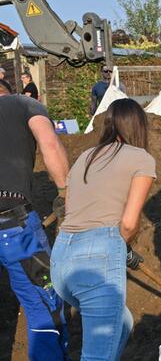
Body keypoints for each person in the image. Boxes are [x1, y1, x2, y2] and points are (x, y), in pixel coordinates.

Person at [51, 99, 155, 361]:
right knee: (97, 357)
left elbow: (70, 205)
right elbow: (129, 224)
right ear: (139, 127)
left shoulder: (85, 157)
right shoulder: (141, 158)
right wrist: (120, 246)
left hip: (61, 257)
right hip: (97, 258)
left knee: (123, 322)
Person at [0, 78, 70, 359]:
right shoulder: (24, 103)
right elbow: (50, 144)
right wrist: (67, 193)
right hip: (12, 224)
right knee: (44, 304)